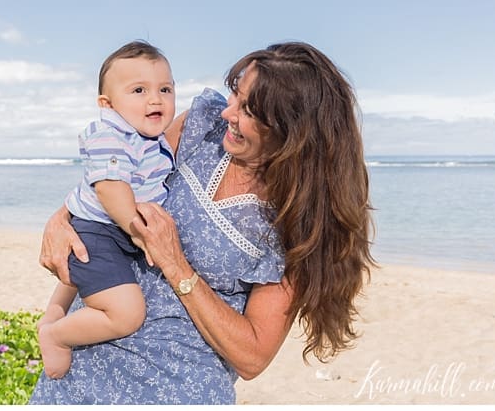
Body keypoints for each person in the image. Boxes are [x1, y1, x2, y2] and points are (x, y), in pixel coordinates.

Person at [30, 41, 376, 404]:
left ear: (294, 131)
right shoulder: (202, 127)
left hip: (176, 390)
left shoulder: (297, 223)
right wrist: (61, 218)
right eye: (235, 94)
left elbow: (253, 356)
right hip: (79, 373)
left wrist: (176, 265)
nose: (229, 112)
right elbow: (118, 175)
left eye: (248, 110)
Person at [36, 41, 176, 379]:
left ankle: (54, 312)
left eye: (165, 89)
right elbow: (111, 189)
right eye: (139, 90)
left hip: (108, 228)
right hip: (100, 229)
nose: (155, 99)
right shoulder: (109, 134)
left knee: (82, 269)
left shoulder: (151, 138)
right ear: (107, 105)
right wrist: (137, 230)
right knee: (127, 314)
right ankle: (56, 335)